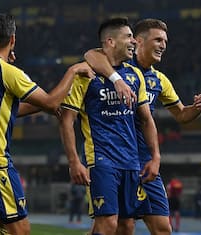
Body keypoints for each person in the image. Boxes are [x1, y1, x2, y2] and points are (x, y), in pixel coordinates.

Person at [0, 13, 95, 235]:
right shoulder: (9, 73)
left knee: (2, 225)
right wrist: (73, 70)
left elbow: (8, 110)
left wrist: (44, 102)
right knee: (21, 230)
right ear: (12, 39)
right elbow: (51, 104)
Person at [85, 18, 201, 235]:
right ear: (138, 42)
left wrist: (196, 108)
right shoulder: (117, 64)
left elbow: (181, 114)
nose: (163, 45)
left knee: (163, 228)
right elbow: (91, 55)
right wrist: (116, 79)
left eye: (165, 41)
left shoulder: (159, 80)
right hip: (114, 157)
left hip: (145, 162)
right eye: (158, 39)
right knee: (119, 226)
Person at [59, 17, 161, 235]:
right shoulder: (85, 75)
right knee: (108, 224)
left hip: (131, 162)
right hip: (102, 161)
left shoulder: (135, 76)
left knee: (126, 226)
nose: (134, 41)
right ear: (110, 41)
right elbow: (67, 119)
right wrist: (74, 161)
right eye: (128, 37)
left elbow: (146, 119)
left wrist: (155, 157)